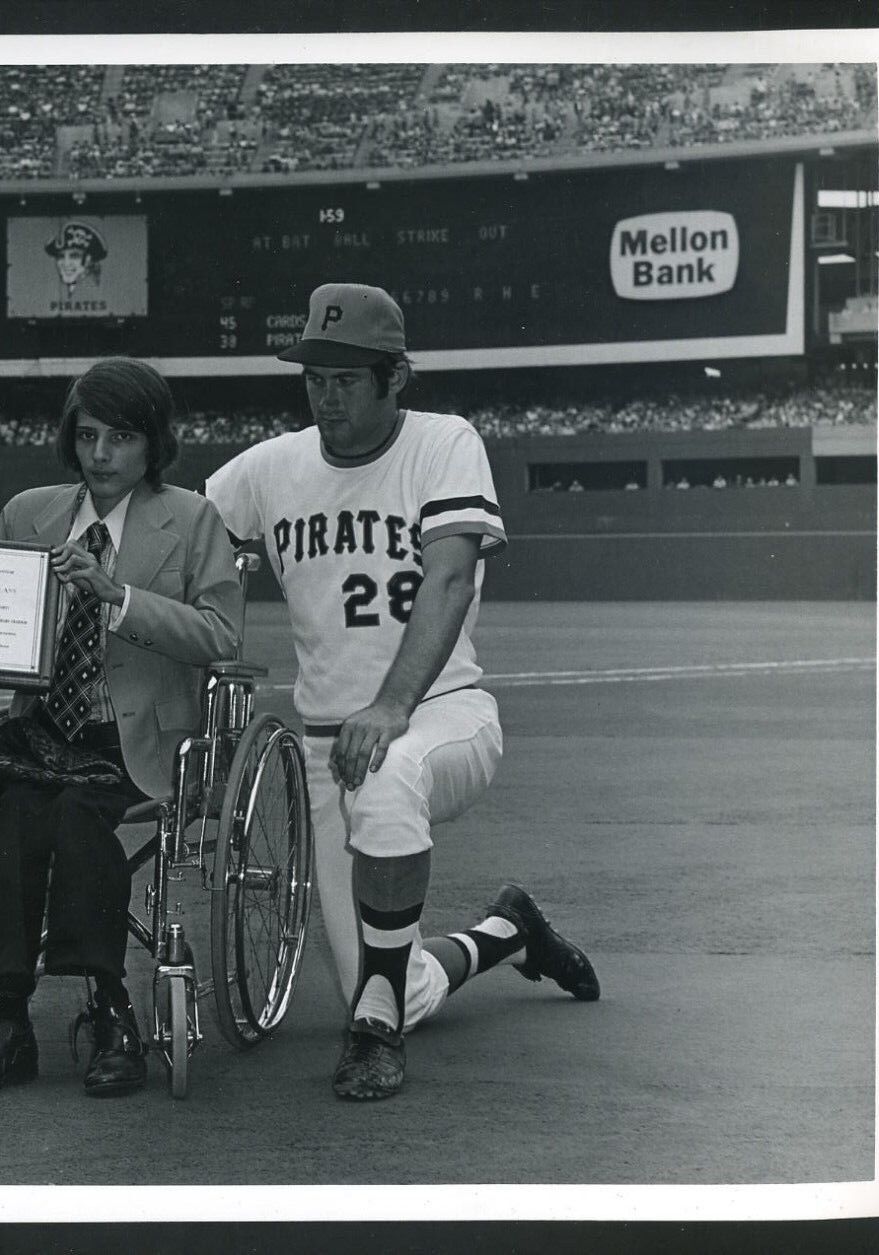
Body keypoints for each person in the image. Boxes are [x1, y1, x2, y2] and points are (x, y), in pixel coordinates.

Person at [205, 284, 599, 1102]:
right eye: (316, 375)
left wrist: (389, 706)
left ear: (396, 377)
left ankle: (374, 1038)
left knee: (384, 783)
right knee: (394, 977)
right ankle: (507, 929)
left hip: (440, 714)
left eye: (348, 377)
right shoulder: (270, 467)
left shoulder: (443, 442)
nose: (327, 393)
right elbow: (185, 538)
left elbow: (450, 578)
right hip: (324, 744)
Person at [0, 358, 241, 1099]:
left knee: (75, 818)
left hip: (133, 740)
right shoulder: (29, 513)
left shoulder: (192, 519)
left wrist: (119, 596)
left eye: (122, 438)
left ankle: (109, 1005)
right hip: (42, 728)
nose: (101, 454)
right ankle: (10, 1018)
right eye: (89, 435)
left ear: (152, 445)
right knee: (10, 812)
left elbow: (222, 633)